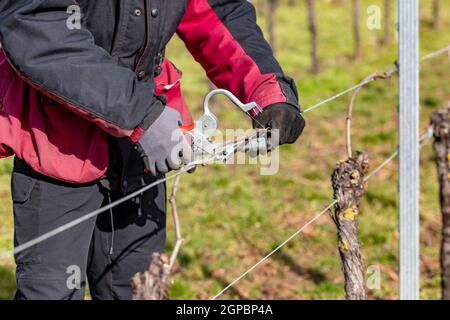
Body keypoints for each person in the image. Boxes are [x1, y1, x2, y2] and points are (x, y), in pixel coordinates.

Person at [0, 0, 305, 300]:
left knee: (138, 288)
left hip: (144, 154)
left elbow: (218, 9)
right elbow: (35, 21)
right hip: (56, 144)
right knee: (52, 291)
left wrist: (266, 89)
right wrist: (138, 113)